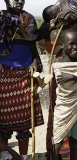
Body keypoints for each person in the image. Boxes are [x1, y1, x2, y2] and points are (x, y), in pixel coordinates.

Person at [0, 0, 44, 159]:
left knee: (25, 125)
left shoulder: (29, 19)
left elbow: (32, 45)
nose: (18, 1)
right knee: (4, 125)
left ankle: (22, 157)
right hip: (3, 75)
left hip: (26, 74)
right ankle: (6, 157)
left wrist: (36, 62)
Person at [38, 1, 77, 159]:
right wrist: (54, 22)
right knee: (58, 112)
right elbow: (39, 34)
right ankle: (55, 154)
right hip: (62, 68)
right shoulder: (59, 6)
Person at [52, 29, 77, 160]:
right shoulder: (58, 64)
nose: (75, 47)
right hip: (63, 107)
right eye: (71, 44)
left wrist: (73, 76)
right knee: (57, 141)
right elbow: (60, 79)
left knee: (75, 142)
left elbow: (68, 78)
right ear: (62, 45)